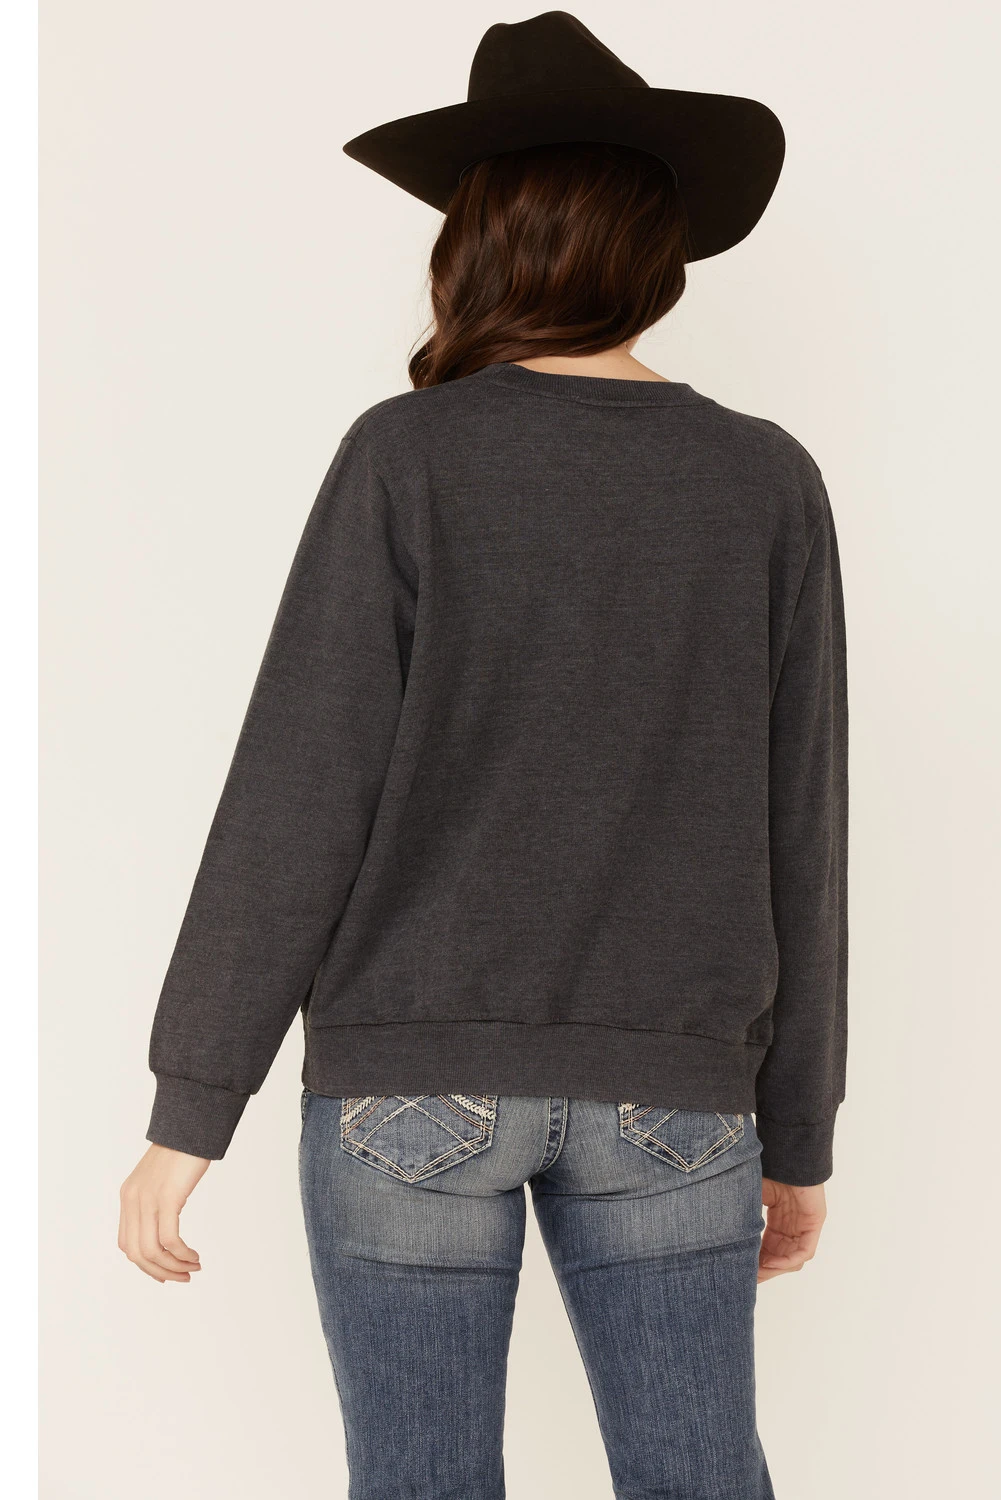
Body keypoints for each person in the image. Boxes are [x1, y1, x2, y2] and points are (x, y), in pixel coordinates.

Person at [118, 13, 849, 1499]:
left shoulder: (408, 456)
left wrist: (190, 1111)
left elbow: (298, 794)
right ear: (659, 251)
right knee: (702, 1477)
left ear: (478, 244)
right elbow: (805, 832)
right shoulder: (766, 481)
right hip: (676, 1093)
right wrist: (800, 1131)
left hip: (411, 1089)